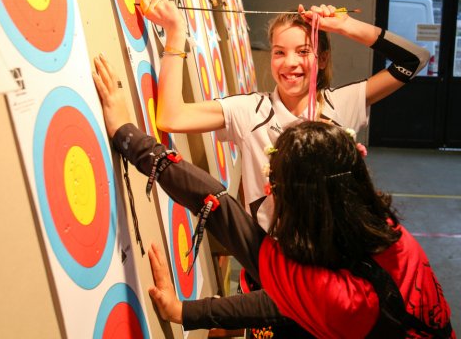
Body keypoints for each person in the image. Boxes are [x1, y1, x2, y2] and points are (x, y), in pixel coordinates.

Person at [92, 55, 454, 339]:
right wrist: (187, 313)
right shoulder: (384, 230)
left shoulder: (330, 295)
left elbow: (217, 208)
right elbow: (292, 299)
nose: (268, 188)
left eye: (276, 184)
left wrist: (126, 135)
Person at [137, 0, 430, 232]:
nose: (290, 63)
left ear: (322, 58)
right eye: (279, 52)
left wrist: (345, 26)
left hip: (332, 260)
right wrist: (175, 35)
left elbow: (415, 59)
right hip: (269, 262)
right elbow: (172, 118)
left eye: (303, 51)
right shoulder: (249, 110)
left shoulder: (343, 103)